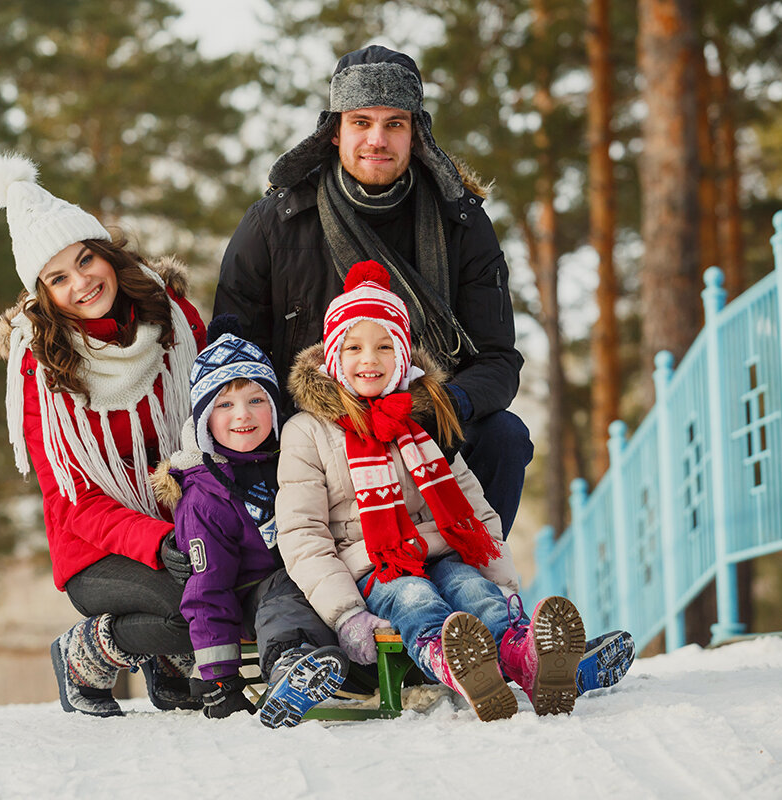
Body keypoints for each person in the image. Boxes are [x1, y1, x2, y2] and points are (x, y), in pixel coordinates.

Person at [215, 42, 634, 695]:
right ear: (334, 130)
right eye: (360, 122)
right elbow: (232, 345)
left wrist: (439, 407)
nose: (376, 138)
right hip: (312, 441)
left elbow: (498, 358)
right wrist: (285, 427)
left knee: (505, 438)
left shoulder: (460, 221)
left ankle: (500, 635)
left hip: (425, 424)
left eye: (394, 123)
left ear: (417, 131)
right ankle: (385, 633)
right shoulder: (276, 221)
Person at [276, 261, 587, 721]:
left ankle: (527, 658)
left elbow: (473, 506)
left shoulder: (423, 418)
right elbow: (302, 533)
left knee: (474, 591)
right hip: (372, 563)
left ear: (402, 355)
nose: (370, 359)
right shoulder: (308, 431)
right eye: (355, 347)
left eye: (385, 346)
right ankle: (456, 661)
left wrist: (501, 582)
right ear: (333, 357)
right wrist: (345, 615)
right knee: (413, 598)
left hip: (440, 551)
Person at [0, 152, 207, 717]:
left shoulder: (172, 316)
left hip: (186, 513)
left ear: (105, 253)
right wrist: (155, 543)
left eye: (86, 260)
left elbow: (213, 419)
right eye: (59, 278)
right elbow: (73, 501)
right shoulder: (41, 369)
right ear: (44, 295)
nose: (82, 283)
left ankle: (173, 659)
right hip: (97, 545)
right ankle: (87, 655)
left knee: (238, 584)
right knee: (195, 607)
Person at [151, 315, 346, 719]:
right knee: (282, 596)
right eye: (224, 404)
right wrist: (219, 679)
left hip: (323, 572)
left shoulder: (296, 457)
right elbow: (207, 591)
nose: (243, 415)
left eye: (257, 400)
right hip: (256, 597)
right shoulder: (205, 496)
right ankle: (292, 665)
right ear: (204, 419)